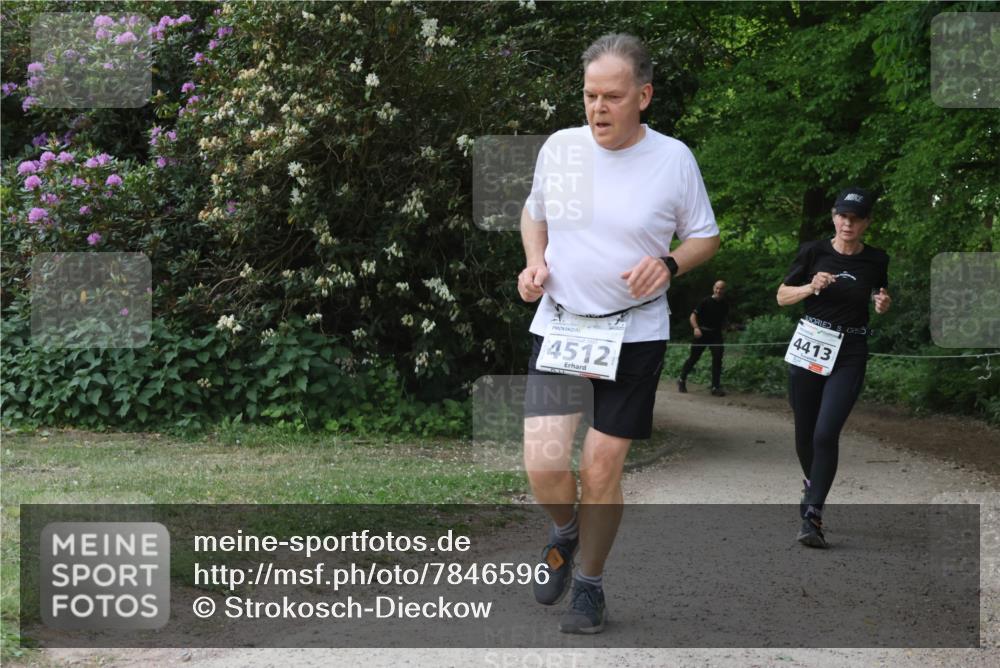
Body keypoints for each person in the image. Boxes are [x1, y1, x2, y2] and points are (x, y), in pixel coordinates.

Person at [517, 33, 720, 633]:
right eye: (589, 95)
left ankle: (590, 585)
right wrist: (535, 262)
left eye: (611, 95)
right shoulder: (561, 148)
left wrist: (671, 264)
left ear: (644, 95)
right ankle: (564, 532)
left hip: (634, 333)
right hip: (560, 324)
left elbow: (706, 236)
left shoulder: (673, 159)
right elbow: (536, 211)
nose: (597, 107)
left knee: (602, 468)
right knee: (544, 463)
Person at [776, 187, 891, 548]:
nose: (848, 223)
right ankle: (813, 482)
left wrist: (882, 303)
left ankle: (813, 515)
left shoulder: (876, 259)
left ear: (866, 223)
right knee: (805, 433)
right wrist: (811, 286)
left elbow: (880, 296)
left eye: (856, 218)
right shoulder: (814, 251)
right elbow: (782, 296)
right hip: (810, 344)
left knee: (826, 433)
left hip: (851, 349)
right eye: (843, 216)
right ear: (833, 217)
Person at [677, 280, 729, 396]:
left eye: (721, 289)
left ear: (724, 290)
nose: (719, 291)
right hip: (702, 334)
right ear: (713, 288)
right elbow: (692, 316)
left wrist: (728, 327)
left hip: (716, 335)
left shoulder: (725, 304)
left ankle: (715, 387)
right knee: (694, 358)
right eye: (717, 288)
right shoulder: (705, 301)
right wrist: (696, 328)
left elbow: (724, 320)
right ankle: (681, 379)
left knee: (717, 359)